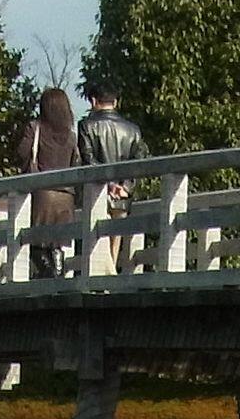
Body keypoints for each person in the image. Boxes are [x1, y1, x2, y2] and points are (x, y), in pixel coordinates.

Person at [76, 80, 148, 271]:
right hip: (122, 196)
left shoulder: (86, 126)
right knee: (114, 247)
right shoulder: (133, 130)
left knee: (98, 245)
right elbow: (139, 162)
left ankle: (105, 283)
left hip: (98, 192)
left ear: (93, 101)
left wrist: (108, 185)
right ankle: (109, 281)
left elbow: (88, 159)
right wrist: (125, 186)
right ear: (116, 102)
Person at [14, 87, 78, 277]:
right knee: (57, 244)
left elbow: (22, 153)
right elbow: (77, 162)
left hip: (43, 194)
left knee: (35, 243)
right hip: (66, 196)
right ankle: (58, 272)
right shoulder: (71, 135)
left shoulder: (35, 128)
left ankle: (49, 274)